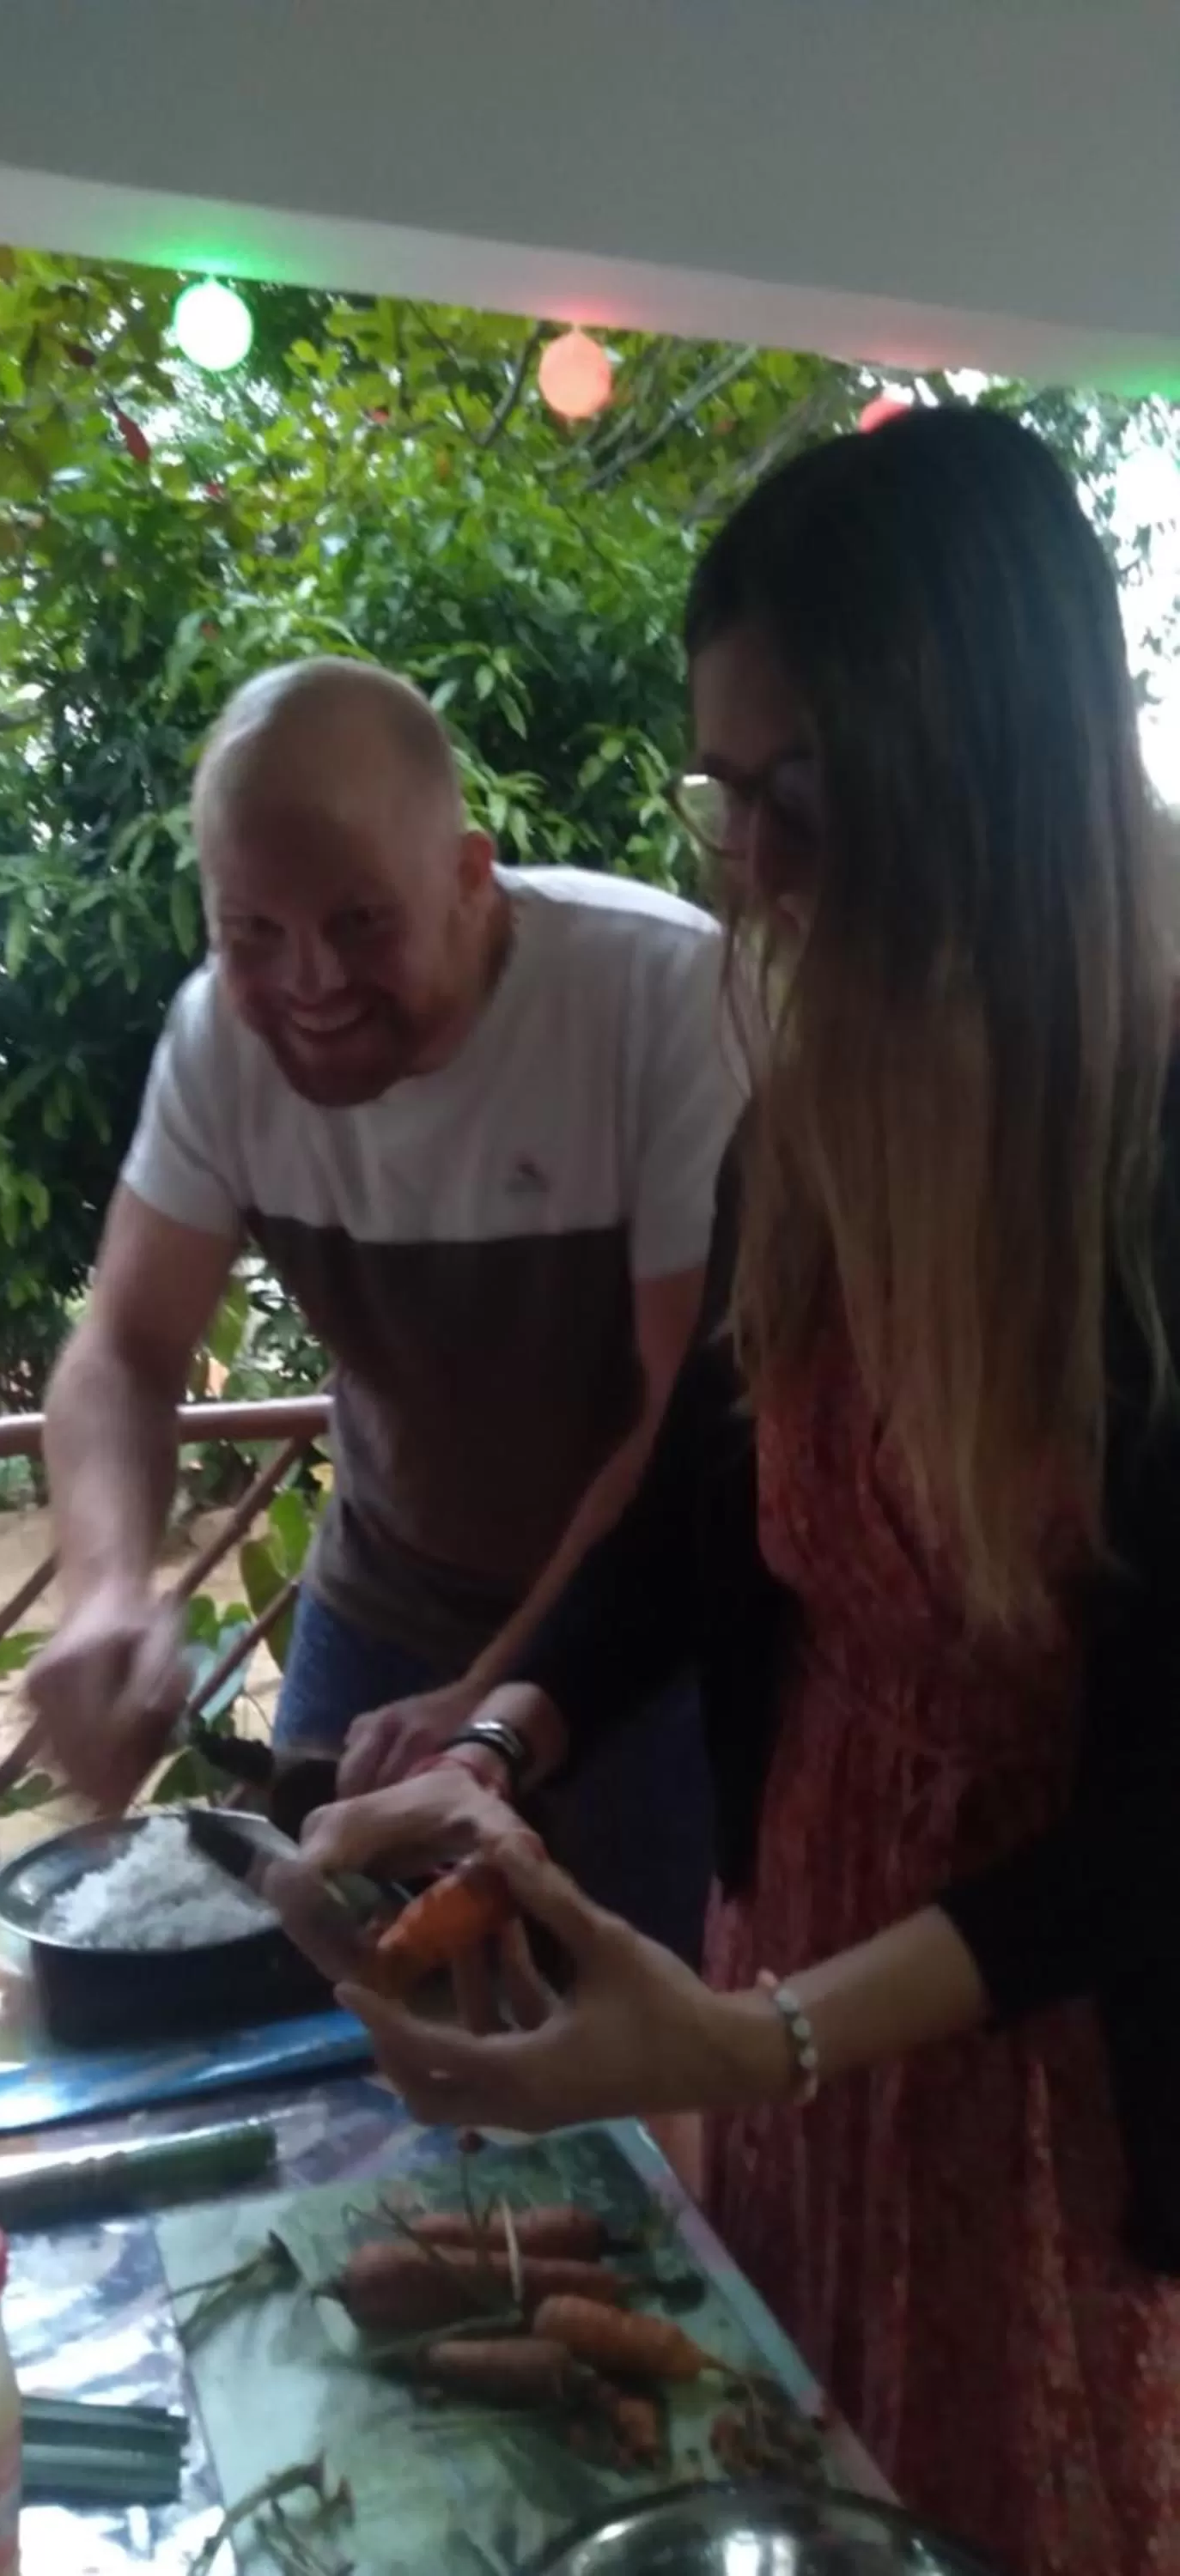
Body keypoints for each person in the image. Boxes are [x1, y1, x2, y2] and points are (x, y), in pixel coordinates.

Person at [290, 412, 1180, 2576]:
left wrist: (765, 2035)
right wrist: (503, 1740)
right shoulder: (819, 1111)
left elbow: (1160, 1830)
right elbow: (709, 1509)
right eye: (727, 794)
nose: (748, 865)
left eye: (798, 796)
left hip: (1029, 2061)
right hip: (787, 1959)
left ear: (979, 768)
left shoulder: (1152, 1168)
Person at [29, 658, 743, 1958]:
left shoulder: (658, 996)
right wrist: (105, 1592)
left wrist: (490, 1703)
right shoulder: (214, 1042)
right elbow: (123, 1350)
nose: (306, 984)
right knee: (332, 1994)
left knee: (648, 2025)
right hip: (385, 1596)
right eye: (251, 933)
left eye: (360, 923)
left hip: (644, 1621)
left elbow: (676, 1419)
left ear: (472, 878)